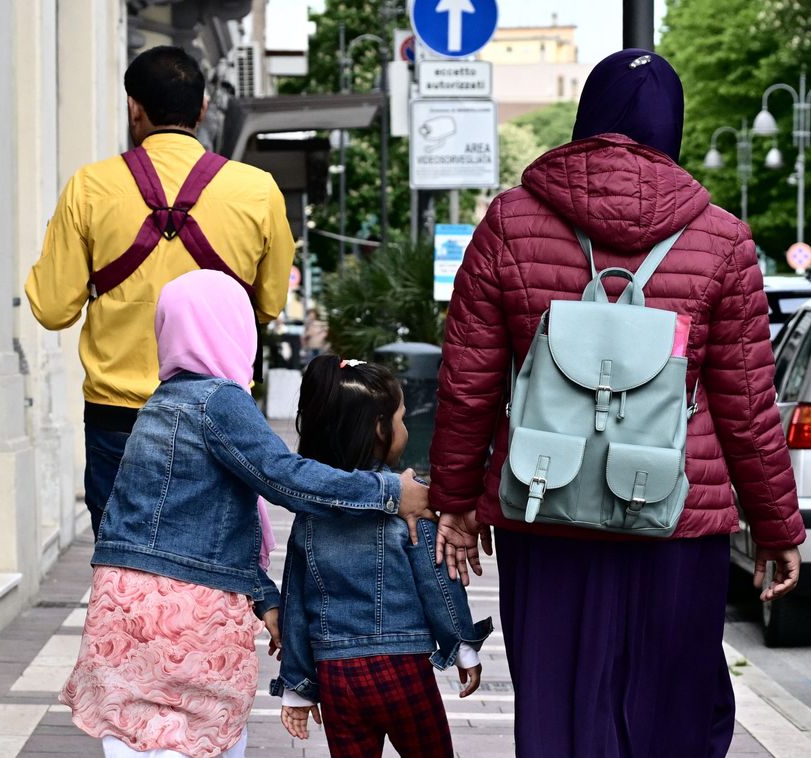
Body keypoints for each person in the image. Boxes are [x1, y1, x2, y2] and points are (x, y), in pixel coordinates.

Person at [428, 49, 806, 756]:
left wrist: (455, 499)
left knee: (555, 699)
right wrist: (777, 526)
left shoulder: (508, 221)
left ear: (584, 120)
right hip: (676, 516)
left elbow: (468, 377)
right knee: (674, 699)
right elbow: (747, 402)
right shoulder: (721, 239)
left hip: (543, 502)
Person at [60, 270, 432, 758]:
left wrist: (262, 594)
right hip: (186, 607)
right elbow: (284, 476)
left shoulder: (157, 406)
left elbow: (168, 521)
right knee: (202, 740)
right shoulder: (219, 401)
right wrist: (388, 492)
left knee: (136, 739)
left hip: (118, 600)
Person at [25, 45, 296, 539]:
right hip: (218, 413)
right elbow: (270, 304)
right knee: (210, 569)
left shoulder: (89, 187)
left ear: (134, 107)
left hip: (117, 416)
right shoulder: (258, 190)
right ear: (203, 109)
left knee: (122, 574)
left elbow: (51, 307)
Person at [271, 356, 492, 757]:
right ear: (379, 426)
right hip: (402, 667)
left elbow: (295, 602)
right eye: (402, 419)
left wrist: (297, 686)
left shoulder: (312, 511)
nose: (406, 429)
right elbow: (437, 578)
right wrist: (462, 646)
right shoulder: (409, 497)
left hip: (337, 674)